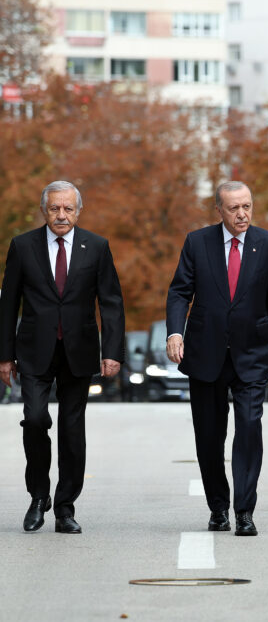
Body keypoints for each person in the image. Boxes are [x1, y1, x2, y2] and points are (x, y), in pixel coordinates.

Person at [0, 181, 125, 534]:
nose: (61, 215)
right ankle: (39, 496)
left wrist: (113, 352)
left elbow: (111, 302)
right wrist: (4, 355)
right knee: (36, 419)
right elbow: (8, 304)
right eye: (55, 208)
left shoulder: (96, 247)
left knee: (72, 430)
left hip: (79, 351)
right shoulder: (23, 247)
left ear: (78, 211)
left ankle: (65, 507)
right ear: (44, 210)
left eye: (68, 209)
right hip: (34, 351)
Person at [165, 181, 268, 537]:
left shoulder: (267, 244)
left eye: (247, 206)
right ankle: (218, 508)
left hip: (253, 353)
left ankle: (245, 510)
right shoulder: (197, 242)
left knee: (249, 428)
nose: (242, 214)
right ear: (218, 210)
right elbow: (179, 292)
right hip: (206, 354)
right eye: (234, 208)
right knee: (209, 436)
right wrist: (175, 332)